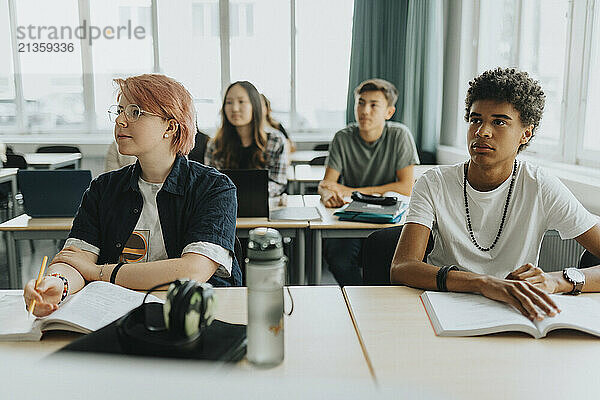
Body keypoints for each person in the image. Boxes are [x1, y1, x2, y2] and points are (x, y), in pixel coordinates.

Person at [391, 67, 600, 321]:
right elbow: (402, 267)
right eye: (475, 119)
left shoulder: (540, 185)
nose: (482, 132)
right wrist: (483, 283)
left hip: (511, 313)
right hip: (441, 306)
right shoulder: (434, 182)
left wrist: (558, 280)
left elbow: (560, 280)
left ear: (526, 134)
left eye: (499, 122)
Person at [24, 74, 241, 317]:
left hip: (189, 317)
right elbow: (75, 259)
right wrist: (58, 284)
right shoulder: (103, 188)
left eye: (135, 112)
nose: (120, 120)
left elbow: (192, 271)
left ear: (170, 126)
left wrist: (99, 273)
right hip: (116, 313)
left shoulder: (214, 188)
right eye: (119, 110)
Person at [318, 78, 420, 286]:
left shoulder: (400, 135)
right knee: (339, 259)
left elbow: (406, 187)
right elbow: (327, 184)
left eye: (374, 105)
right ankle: (361, 297)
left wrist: (351, 191)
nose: (365, 111)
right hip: (352, 217)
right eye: (361, 103)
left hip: (391, 218)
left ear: (389, 112)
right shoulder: (342, 137)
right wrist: (329, 194)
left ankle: (374, 301)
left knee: (389, 264)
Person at [205, 81, 288, 197]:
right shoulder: (215, 144)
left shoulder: (275, 141)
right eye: (229, 102)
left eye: (241, 101)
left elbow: (278, 182)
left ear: (255, 105)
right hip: (225, 207)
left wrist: (250, 194)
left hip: (263, 206)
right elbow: (211, 183)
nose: (234, 108)